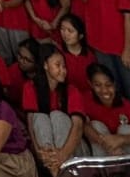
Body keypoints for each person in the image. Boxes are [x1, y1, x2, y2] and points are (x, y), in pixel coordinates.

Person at [22, 43, 86, 176]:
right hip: (47, 158)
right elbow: (31, 126)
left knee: (57, 116)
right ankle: (56, 172)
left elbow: (78, 127)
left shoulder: (71, 91)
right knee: (40, 118)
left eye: (64, 66)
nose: (63, 70)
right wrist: (40, 154)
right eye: (58, 65)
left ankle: (61, 171)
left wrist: (62, 155)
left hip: (74, 153)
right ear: (45, 65)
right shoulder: (30, 87)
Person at [82, 64, 130, 170]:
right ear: (90, 84)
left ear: (114, 85)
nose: (104, 90)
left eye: (108, 85)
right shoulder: (85, 99)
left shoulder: (127, 106)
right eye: (98, 85)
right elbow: (83, 126)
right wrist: (106, 143)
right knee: (95, 125)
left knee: (126, 129)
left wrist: (120, 139)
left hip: (126, 155)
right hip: (103, 155)